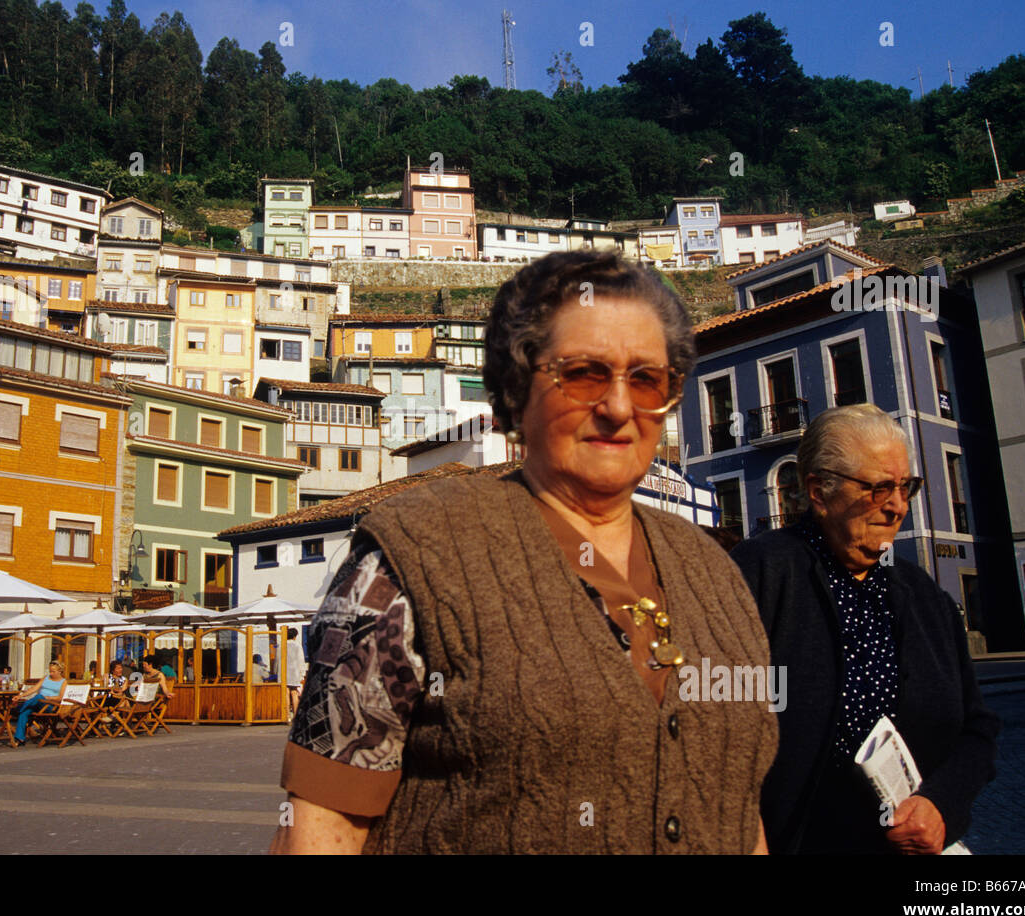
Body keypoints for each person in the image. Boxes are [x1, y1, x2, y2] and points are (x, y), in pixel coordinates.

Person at [271, 251, 778, 854]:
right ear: (517, 391)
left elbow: (738, 811)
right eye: (585, 373)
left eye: (646, 380)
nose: (619, 408)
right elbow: (323, 827)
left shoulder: (716, 572)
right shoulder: (416, 555)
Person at [730, 404, 1000, 854]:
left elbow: (978, 727)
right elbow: (712, 732)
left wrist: (941, 804)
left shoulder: (924, 596)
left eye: (905, 487)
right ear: (818, 491)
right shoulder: (761, 573)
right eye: (878, 488)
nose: (897, 506)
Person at [10, 661, 65, 745]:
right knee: (25, 712)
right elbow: (34, 689)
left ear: (60, 671)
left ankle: (19, 708)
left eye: (53, 671)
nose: (51, 673)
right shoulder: (46, 678)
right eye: (50, 671)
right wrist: (20, 696)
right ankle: (20, 738)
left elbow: (60, 698)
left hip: (50, 706)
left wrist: (46, 698)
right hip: (37, 703)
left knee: (39, 697)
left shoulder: (63, 682)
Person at [285, 627, 307, 721]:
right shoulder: (297, 646)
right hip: (294, 672)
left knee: (285, 693)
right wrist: (302, 674)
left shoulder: (281, 645)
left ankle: (286, 716)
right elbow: (301, 660)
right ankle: (295, 716)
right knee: (294, 693)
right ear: (295, 636)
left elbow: (277, 660)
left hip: (284, 672)